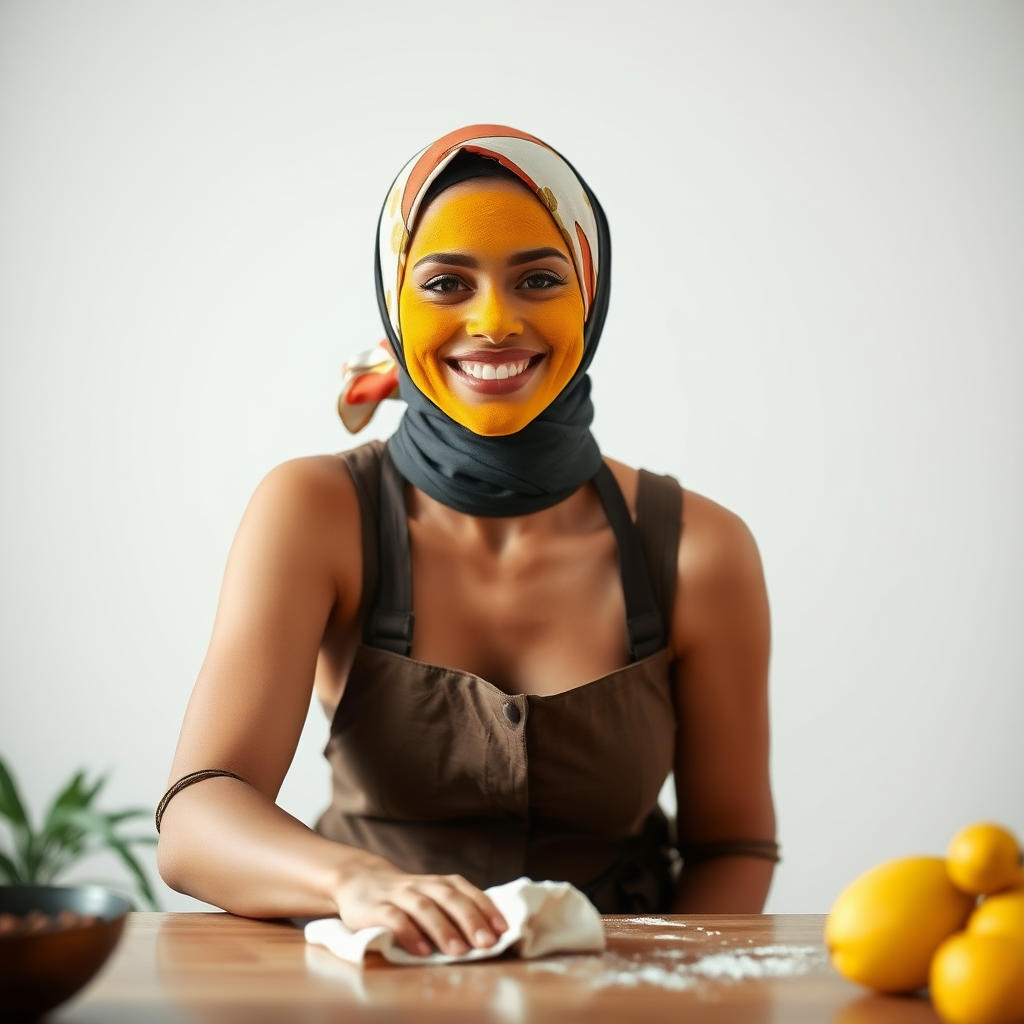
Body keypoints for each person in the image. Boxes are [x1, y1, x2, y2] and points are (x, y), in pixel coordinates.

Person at [156, 125, 777, 959]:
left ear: (589, 298)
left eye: (540, 278)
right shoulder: (315, 509)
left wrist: (660, 987)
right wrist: (352, 882)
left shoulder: (700, 546)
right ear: (394, 301)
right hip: (370, 988)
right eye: (447, 282)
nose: (493, 322)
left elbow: (730, 849)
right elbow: (198, 816)